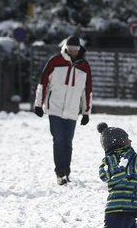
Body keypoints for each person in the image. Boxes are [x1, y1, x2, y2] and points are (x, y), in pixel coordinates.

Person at [33, 35, 93, 185]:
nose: (72, 52)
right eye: (70, 49)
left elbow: (87, 91)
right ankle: (60, 173)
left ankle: (66, 171)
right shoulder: (55, 61)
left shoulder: (84, 66)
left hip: (73, 110)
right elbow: (43, 83)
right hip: (55, 108)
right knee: (59, 140)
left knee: (68, 142)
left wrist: (86, 112)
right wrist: (38, 104)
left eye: (75, 50)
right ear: (66, 48)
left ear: (79, 50)